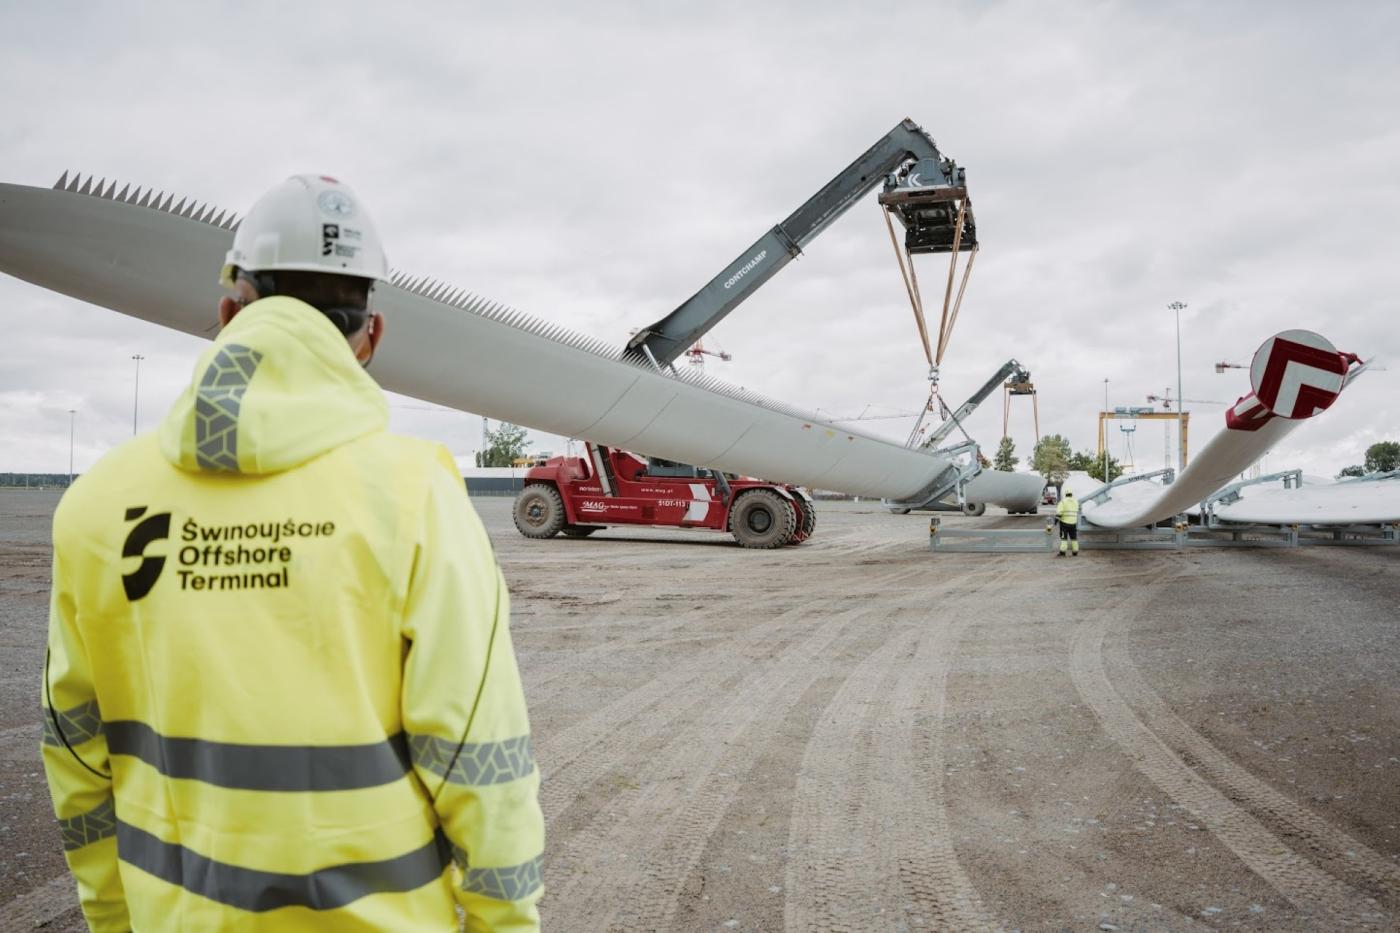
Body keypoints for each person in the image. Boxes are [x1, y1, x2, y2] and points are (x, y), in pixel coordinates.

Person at [40, 175, 544, 930]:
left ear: (226, 314)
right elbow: (484, 765)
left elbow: (78, 760)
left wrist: (115, 918)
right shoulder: (417, 497)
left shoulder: (97, 504)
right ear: (372, 336)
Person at [1055, 488, 1080, 556]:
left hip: (1064, 523)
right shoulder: (1076, 501)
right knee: (1074, 538)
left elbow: (1059, 512)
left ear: (1065, 494)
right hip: (1073, 523)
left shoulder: (1063, 501)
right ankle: (1075, 551)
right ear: (1071, 494)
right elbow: (1078, 510)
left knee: (1064, 537)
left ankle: (1063, 551)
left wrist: (1056, 520)